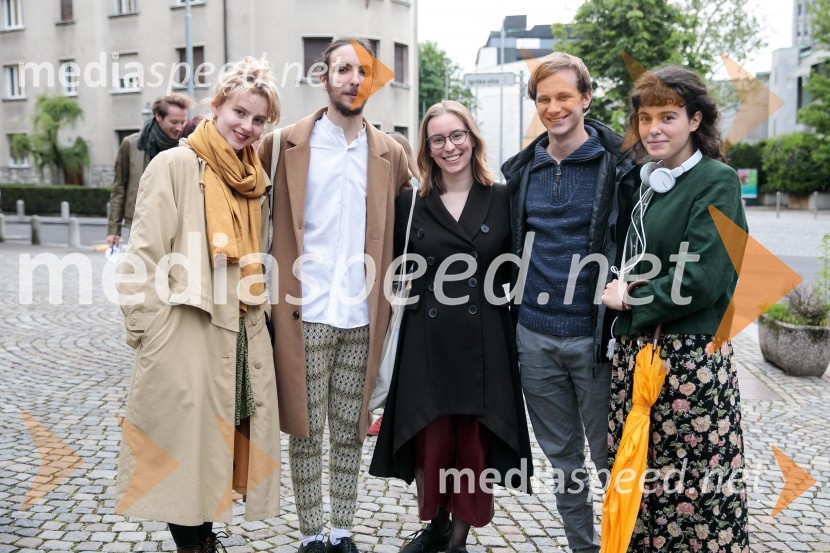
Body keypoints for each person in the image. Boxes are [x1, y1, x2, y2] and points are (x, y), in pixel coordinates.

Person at [114, 57, 282, 553]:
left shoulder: (253, 178)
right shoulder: (174, 164)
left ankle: (205, 535)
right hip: (184, 331)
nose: (247, 127)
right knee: (184, 444)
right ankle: (195, 544)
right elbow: (143, 255)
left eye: (258, 120)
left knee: (224, 440)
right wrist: (147, 332)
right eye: (240, 113)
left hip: (241, 328)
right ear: (217, 106)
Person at [257, 36, 411, 553]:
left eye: (363, 72)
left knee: (349, 428)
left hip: (363, 313)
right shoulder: (281, 144)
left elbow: (419, 221)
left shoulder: (390, 152)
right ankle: (309, 534)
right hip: (304, 310)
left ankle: (342, 531)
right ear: (324, 77)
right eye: (343, 70)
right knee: (304, 429)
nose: (353, 80)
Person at [369, 100, 533, 553]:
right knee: (430, 438)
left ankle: (457, 539)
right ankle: (436, 524)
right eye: (438, 139)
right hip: (427, 337)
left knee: (473, 444)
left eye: (457, 135)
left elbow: (516, 269)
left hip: (485, 340)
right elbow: (394, 266)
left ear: (473, 138)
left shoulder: (503, 197)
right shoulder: (410, 201)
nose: (449, 146)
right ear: (427, 148)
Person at [602, 65, 749, 551]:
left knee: (694, 496)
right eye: (645, 119)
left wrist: (627, 296)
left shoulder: (716, 180)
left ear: (695, 119)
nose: (654, 129)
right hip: (641, 358)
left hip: (689, 366)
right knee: (643, 490)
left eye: (668, 116)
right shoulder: (651, 183)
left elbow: (703, 278)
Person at [500, 52, 639, 553]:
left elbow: (642, 240)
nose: (554, 107)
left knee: (609, 458)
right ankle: (582, 546)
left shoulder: (623, 167)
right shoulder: (521, 172)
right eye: (543, 99)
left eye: (564, 96)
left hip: (595, 336)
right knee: (562, 461)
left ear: (586, 97)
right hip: (534, 337)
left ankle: (623, 544)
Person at [367, 130, 421, 438]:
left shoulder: (408, 196)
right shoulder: (402, 191)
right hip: (392, 282)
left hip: (400, 283)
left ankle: (387, 411)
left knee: (392, 348)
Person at [106, 93, 193, 248]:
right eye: (174, 122)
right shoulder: (130, 144)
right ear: (158, 116)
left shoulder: (186, 146)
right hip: (141, 223)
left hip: (177, 224)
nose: (179, 128)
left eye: (182, 122)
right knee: (144, 270)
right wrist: (114, 230)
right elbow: (119, 188)